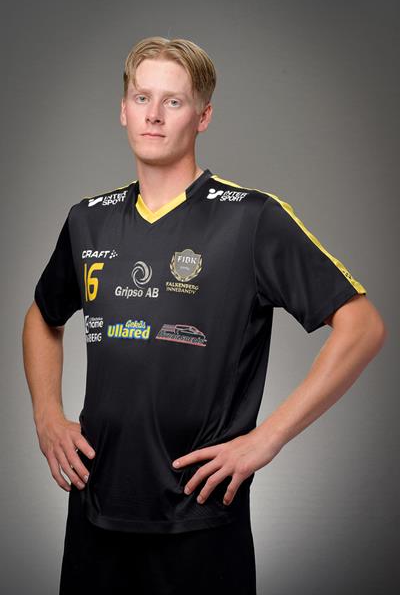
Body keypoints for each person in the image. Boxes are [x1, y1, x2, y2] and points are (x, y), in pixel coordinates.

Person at [22, 36, 387, 595]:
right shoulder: (87, 220)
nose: (153, 114)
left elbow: (363, 327)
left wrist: (267, 439)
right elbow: (42, 317)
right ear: (123, 109)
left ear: (203, 116)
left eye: (173, 101)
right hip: (96, 509)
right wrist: (48, 415)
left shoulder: (251, 218)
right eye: (141, 97)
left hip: (201, 517)